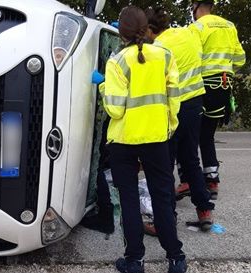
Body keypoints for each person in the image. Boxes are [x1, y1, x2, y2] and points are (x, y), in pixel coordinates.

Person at [100, 6, 186, 273]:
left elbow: (114, 109)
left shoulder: (117, 62)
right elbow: (174, 99)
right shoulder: (165, 56)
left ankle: (135, 260)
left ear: (121, 33)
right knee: (162, 197)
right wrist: (168, 127)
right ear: (146, 29)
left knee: (128, 201)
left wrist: (104, 85)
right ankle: (176, 258)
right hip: (157, 138)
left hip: (124, 141)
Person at [145, 7, 215, 232]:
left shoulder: (158, 48)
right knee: (191, 160)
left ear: (149, 29)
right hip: (195, 105)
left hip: (173, 109)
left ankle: (165, 221)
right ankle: (204, 211)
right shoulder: (188, 33)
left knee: (165, 164)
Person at [178, 0, 246, 199]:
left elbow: (191, 58)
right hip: (224, 88)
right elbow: (240, 59)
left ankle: (187, 180)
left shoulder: (196, 28)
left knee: (187, 136)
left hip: (200, 88)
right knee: (207, 135)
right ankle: (212, 180)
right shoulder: (229, 26)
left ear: (196, 6)